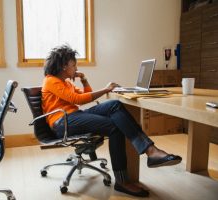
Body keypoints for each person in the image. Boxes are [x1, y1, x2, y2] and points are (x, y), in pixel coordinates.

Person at [41, 45, 182, 197]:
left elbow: (86, 95)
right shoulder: (51, 81)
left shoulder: (66, 82)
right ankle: (124, 179)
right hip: (63, 123)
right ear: (63, 66)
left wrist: (84, 79)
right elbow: (77, 99)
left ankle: (150, 151)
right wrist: (106, 89)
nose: (76, 68)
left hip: (74, 116)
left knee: (114, 105)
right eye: (74, 65)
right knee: (114, 127)